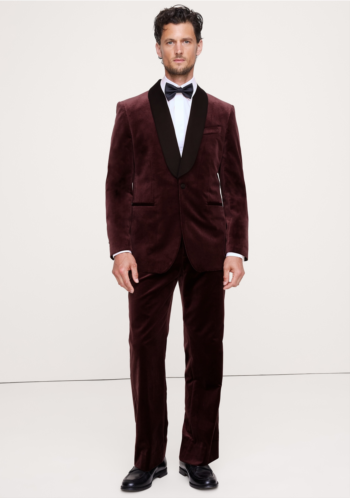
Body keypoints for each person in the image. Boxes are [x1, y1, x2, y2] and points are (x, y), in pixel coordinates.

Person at [105, 4, 249, 492]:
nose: (179, 49)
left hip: (208, 247)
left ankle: (197, 455)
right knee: (145, 352)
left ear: (199, 46)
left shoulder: (223, 113)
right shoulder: (130, 111)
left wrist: (237, 249)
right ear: (158, 48)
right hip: (147, 250)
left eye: (186, 40)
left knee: (205, 354)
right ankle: (148, 458)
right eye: (170, 41)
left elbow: (234, 185)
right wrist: (120, 248)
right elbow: (116, 185)